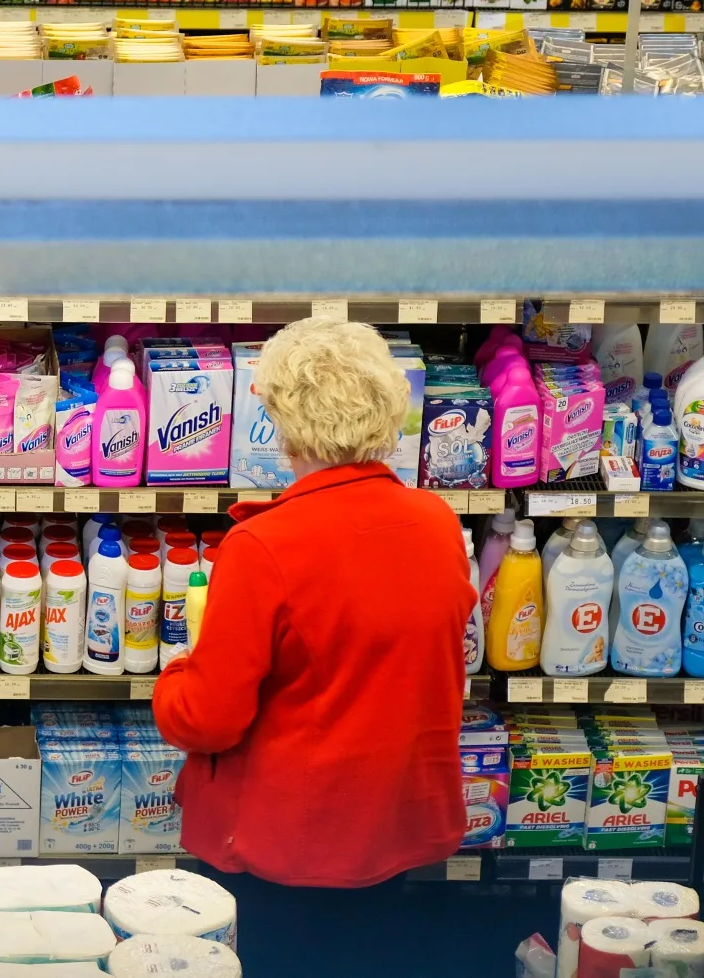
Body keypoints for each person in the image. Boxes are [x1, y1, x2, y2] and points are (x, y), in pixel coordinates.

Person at [153, 318, 474, 971]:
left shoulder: (265, 546)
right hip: (392, 833)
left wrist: (179, 673)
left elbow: (208, 719)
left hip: (287, 849)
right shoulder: (438, 524)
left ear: (281, 417)